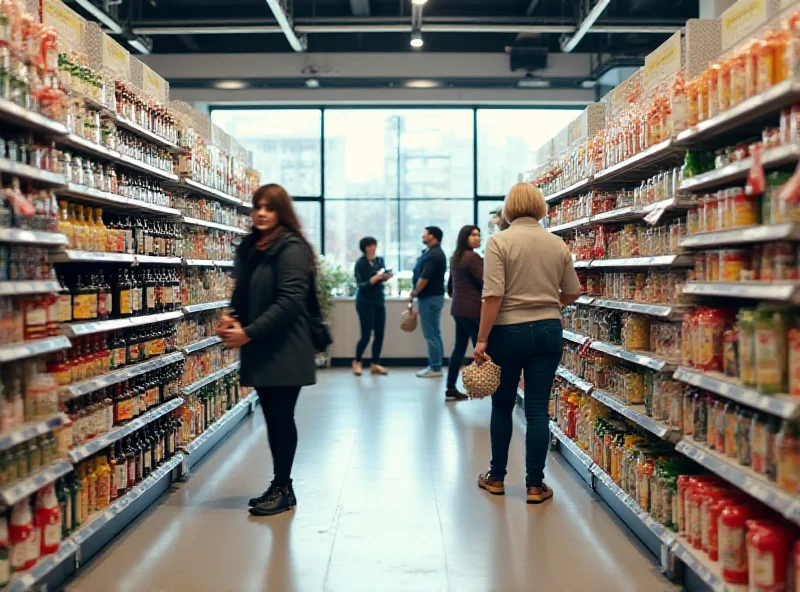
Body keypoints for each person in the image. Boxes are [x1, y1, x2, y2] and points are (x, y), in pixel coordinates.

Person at [474, 183, 581, 505]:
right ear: (539, 207)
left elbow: (493, 294)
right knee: (537, 409)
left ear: (508, 209)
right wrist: (547, 305)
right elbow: (573, 291)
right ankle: (535, 485)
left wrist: (481, 339)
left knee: (503, 405)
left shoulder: (499, 242)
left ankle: (496, 478)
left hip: (508, 331)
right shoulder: (556, 243)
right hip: (549, 329)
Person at [218, 183, 317, 517]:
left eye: (269, 208)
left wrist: (247, 332)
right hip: (260, 345)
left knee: (280, 417)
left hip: (286, 347)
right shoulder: (251, 246)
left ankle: (283, 487)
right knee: (273, 418)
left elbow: (290, 302)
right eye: (257, 206)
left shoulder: (291, 248)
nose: (261, 213)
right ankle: (280, 485)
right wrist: (231, 316)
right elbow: (243, 291)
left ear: (281, 212)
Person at [445, 225, 483, 400]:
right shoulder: (472, 258)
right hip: (473, 310)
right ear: (465, 237)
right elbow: (485, 282)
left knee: (459, 349)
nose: (477, 238)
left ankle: (451, 387)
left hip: (458, 309)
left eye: (478, 235)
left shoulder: (455, 257)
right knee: (482, 348)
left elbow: (450, 286)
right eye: (473, 235)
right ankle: (484, 384)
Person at [410, 226, 447, 378]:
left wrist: (414, 292)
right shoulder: (431, 252)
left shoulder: (434, 254)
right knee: (434, 333)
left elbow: (424, 278)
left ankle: (435, 367)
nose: (422, 236)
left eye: (425, 234)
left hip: (430, 298)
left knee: (431, 333)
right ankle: (435, 365)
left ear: (433, 236)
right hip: (432, 298)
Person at [353, 236, 392, 376]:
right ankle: (357, 361)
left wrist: (385, 277)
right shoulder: (360, 264)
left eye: (374, 245)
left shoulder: (380, 260)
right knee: (366, 335)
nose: (372, 248)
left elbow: (382, 276)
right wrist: (374, 279)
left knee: (380, 333)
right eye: (369, 246)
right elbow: (361, 285)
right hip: (365, 302)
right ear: (364, 248)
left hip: (379, 301)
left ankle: (375, 363)